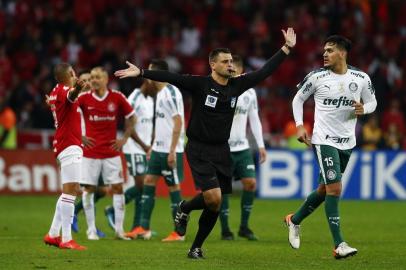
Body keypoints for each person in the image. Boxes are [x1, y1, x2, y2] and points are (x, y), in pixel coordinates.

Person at [115, 28, 296, 258]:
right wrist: (141, 72)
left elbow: (264, 72)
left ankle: (194, 241)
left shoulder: (236, 86)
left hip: (222, 150)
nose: (231, 65)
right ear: (213, 65)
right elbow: (172, 78)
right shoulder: (200, 85)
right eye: (225, 61)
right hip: (199, 148)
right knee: (214, 197)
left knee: (214, 204)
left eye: (231, 61)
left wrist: (286, 48)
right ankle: (185, 211)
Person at [286, 35, 377, 259]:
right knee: (335, 189)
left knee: (325, 189)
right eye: (324, 50)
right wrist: (299, 127)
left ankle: (293, 220)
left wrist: (363, 109)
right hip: (323, 139)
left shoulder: (361, 78)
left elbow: (373, 102)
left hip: (347, 142)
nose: (324, 54)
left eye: (330, 50)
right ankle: (339, 245)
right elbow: (297, 99)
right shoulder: (317, 77)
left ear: (342, 53)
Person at [124, 59, 186, 242]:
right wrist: (154, 146)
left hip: (170, 150)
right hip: (159, 149)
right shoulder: (159, 94)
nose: (147, 76)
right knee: (149, 182)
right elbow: (163, 124)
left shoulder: (171, 92)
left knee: (174, 188)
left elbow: (178, 122)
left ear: (157, 74)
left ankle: (179, 232)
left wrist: (173, 150)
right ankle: (143, 228)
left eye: (150, 72)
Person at [77, 67, 136, 240]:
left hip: (111, 153)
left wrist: (124, 138)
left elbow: (132, 117)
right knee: (89, 189)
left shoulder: (117, 97)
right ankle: (91, 230)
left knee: (117, 188)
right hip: (91, 153)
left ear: (106, 79)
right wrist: (80, 136)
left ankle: (119, 230)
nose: (93, 80)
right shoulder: (83, 98)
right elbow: (67, 113)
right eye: (92, 77)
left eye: (97, 77)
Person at [219, 55, 267, 241]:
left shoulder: (249, 93)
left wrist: (261, 145)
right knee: (223, 189)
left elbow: (254, 119)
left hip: (242, 148)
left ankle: (244, 227)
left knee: (251, 184)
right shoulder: (221, 90)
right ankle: (225, 230)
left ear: (240, 70)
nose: (232, 72)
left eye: (234, 69)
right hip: (223, 149)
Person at [43, 63, 86, 250]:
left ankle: (53, 234)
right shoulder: (65, 91)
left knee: (71, 190)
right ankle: (67, 239)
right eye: (74, 72)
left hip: (65, 144)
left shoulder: (55, 91)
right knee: (70, 191)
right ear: (70, 73)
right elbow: (71, 96)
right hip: (69, 145)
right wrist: (77, 88)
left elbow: (61, 103)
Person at [104, 79, 155, 234]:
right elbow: (129, 127)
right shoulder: (134, 97)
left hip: (145, 149)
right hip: (134, 148)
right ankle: (112, 210)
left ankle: (136, 227)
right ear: (147, 82)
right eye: (155, 85)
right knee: (142, 186)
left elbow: (148, 125)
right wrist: (144, 145)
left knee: (142, 189)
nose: (157, 89)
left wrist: (151, 143)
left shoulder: (150, 100)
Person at [71, 72, 107, 238]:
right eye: (84, 81)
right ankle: (88, 226)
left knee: (100, 190)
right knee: (88, 189)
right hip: (83, 150)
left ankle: (79, 216)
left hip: (95, 149)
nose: (88, 83)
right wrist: (81, 137)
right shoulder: (78, 102)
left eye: (89, 80)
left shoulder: (90, 101)